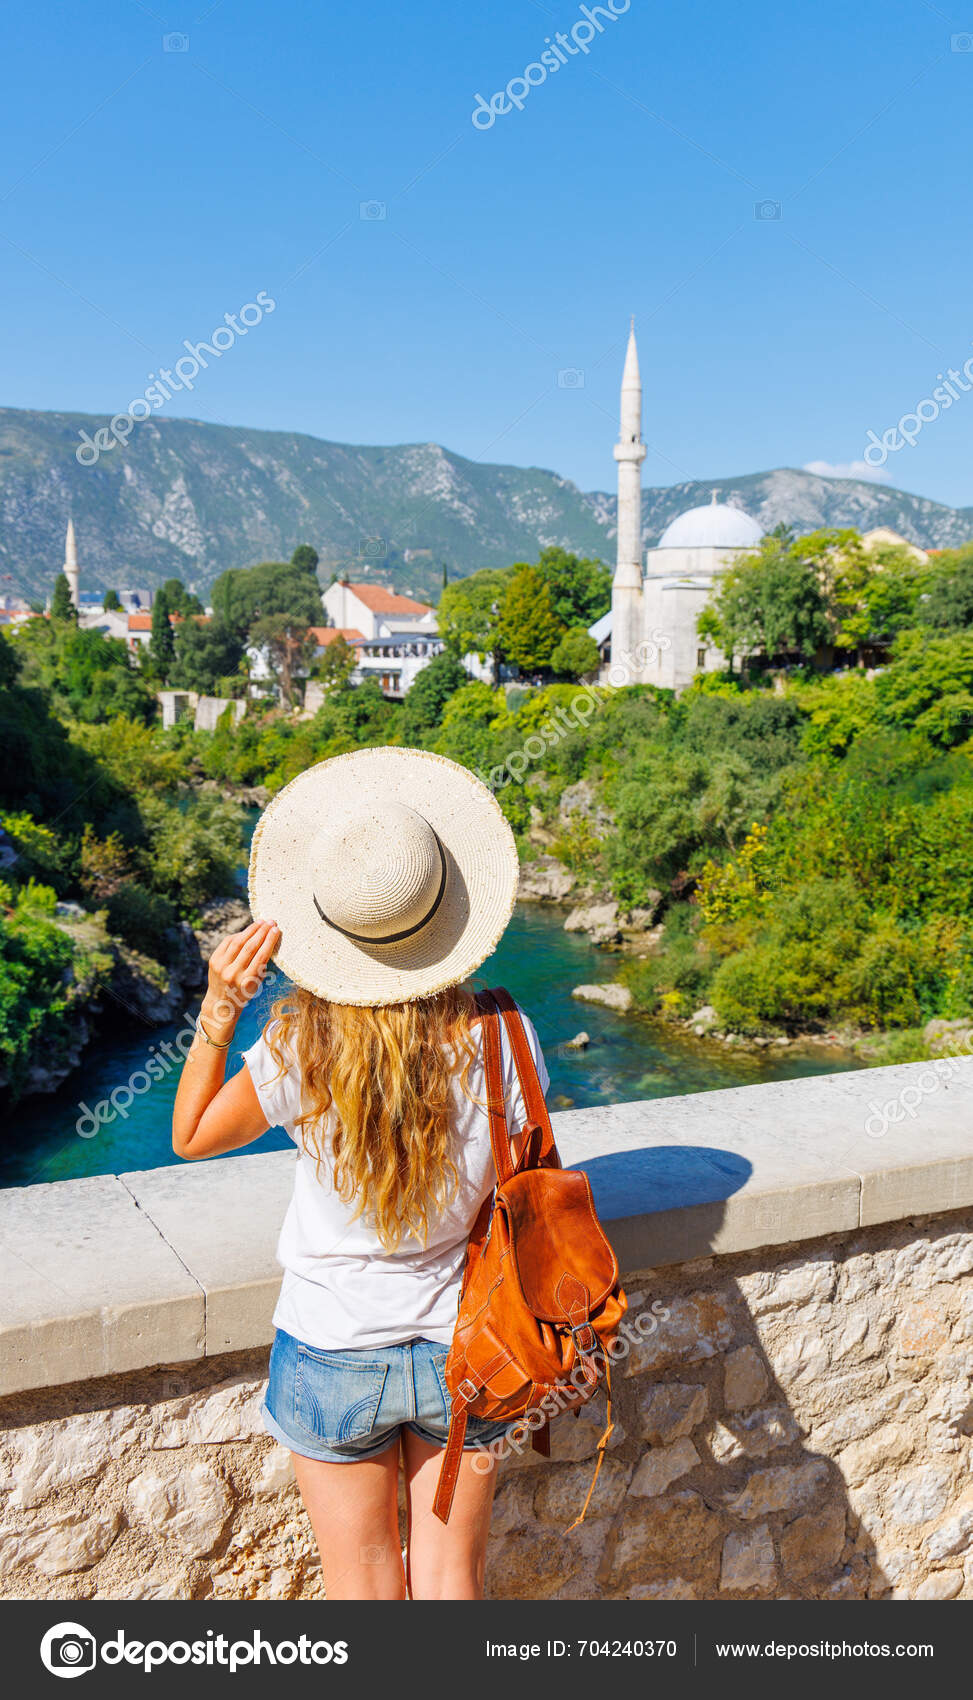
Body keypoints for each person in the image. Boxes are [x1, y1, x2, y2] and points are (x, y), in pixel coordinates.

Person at [172, 746, 547, 1601]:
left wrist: (220, 1007)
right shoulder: (504, 1038)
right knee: (454, 1583)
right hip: (470, 1346)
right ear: (449, 912)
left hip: (333, 1349)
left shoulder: (300, 1049)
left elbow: (190, 1135)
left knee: (364, 1592)